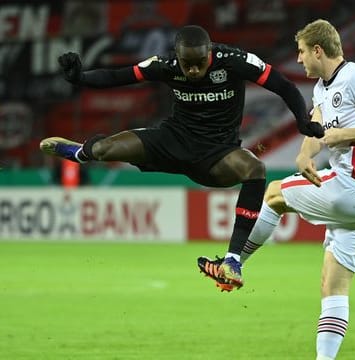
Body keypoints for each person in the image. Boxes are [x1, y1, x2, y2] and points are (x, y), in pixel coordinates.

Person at [40, 25, 324, 290]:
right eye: (186, 63)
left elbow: (284, 86)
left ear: (209, 52)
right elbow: (119, 76)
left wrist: (301, 119)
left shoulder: (235, 60)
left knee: (254, 168)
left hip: (217, 153)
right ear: (177, 56)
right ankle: (79, 153)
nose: (193, 69)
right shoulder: (166, 65)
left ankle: (232, 261)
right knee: (102, 150)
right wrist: (80, 78)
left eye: (199, 62)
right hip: (173, 141)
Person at [202, 19, 355, 359]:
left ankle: (234, 262)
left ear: (318, 50)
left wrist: (342, 136)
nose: (298, 60)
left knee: (272, 193)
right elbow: (316, 131)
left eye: (301, 52)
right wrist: (304, 154)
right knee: (333, 288)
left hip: (354, 187)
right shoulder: (323, 89)